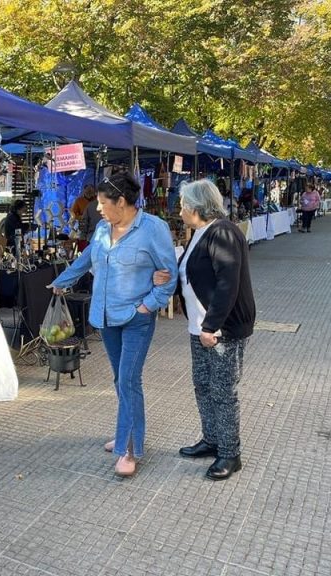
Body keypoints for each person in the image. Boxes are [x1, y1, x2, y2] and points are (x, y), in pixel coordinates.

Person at [49, 172, 178, 477]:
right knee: (121, 380)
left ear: (121, 202)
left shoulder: (153, 229)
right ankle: (126, 432)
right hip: (105, 317)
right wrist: (61, 281)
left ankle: (128, 449)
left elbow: (169, 275)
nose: (97, 208)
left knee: (129, 380)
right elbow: (87, 259)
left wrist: (147, 306)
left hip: (136, 319)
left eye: (102, 202)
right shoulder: (102, 229)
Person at [174, 179, 255, 481]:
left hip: (221, 329)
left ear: (196, 207)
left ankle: (230, 453)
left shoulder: (222, 232)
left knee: (222, 391)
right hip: (200, 327)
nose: (179, 211)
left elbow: (227, 283)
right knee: (203, 385)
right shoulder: (201, 232)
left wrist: (211, 325)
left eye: (182, 205)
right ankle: (212, 439)